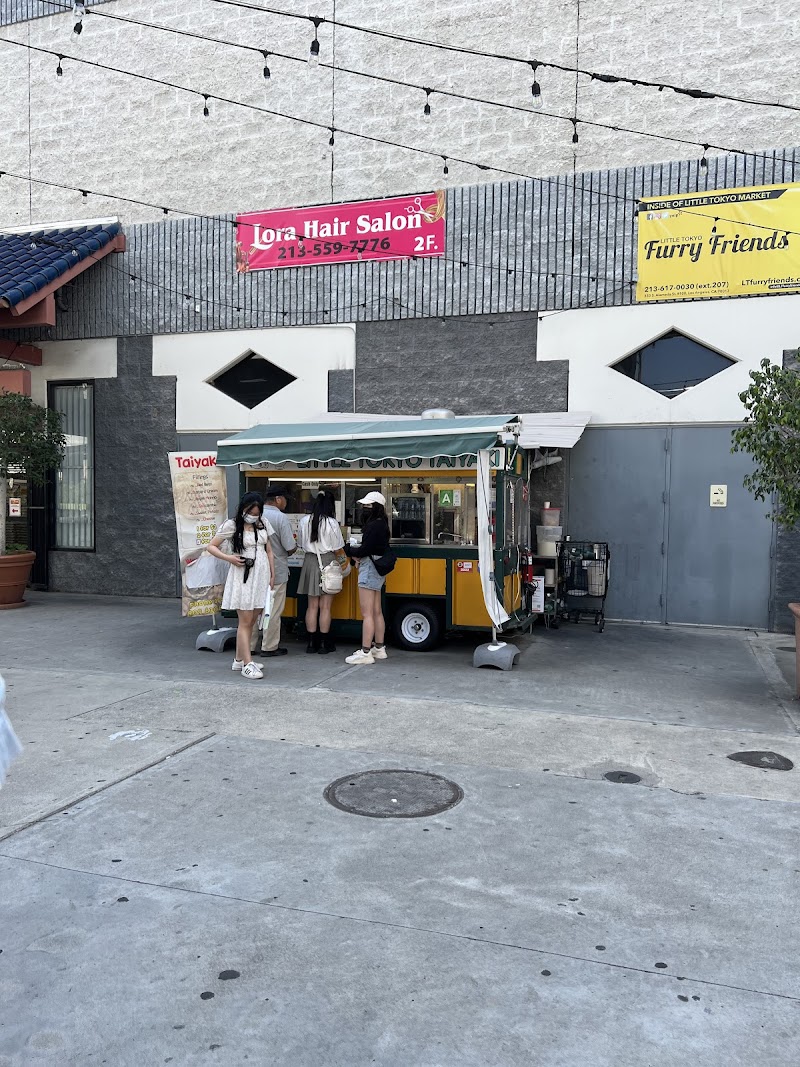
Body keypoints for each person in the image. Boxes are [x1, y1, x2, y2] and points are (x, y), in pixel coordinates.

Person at [207, 491, 275, 680]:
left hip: (260, 575)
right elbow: (211, 546)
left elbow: (269, 549)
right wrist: (229, 558)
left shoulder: (263, 524)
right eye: (250, 512)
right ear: (243, 509)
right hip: (242, 576)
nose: (253, 516)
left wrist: (272, 574)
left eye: (256, 512)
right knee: (245, 621)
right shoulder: (231, 525)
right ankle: (247, 663)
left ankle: (239, 659)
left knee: (252, 620)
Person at [297, 490, 347, 654]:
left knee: (312, 606)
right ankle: (325, 644)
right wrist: (345, 565)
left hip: (310, 561)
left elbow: (301, 544)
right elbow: (338, 547)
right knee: (325, 607)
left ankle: (311, 643)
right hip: (328, 561)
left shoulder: (304, 521)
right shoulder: (332, 523)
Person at [344, 491, 390, 665]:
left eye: (368, 505)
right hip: (378, 568)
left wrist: (349, 550)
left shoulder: (373, 526)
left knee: (367, 613)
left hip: (369, 568)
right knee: (377, 611)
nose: (364, 508)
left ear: (375, 507)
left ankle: (365, 652)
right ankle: (379, 648)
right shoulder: (383, 524)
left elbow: (364, 550)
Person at [251, 486, 297, 658]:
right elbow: (289, 547)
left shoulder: (255, 515)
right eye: (285, 499)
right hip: (275, 571)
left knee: (254, 609)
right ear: (278, 499)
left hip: (255, 571)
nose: (286, 503)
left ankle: (249, 645)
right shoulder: (280, 518)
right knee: (272, 610)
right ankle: (269, 646)